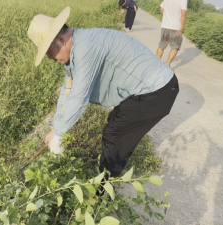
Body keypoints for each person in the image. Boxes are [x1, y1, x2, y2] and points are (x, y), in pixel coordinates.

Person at [27, 7, 179, 179]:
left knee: (115, 134)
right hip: (146, 89)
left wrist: (60, 134)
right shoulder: (78, 45)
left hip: (158, 91)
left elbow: (78, 96)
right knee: (114, 122)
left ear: (61, 40)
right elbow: (67, 89)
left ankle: (104, 187)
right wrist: (56, 128)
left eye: (48, 52)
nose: (49, 58)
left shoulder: (85, 47)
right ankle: (107, 161)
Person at [156, 0, 187, 67]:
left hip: (165, 25)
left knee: (161, 45)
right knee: (175, 46)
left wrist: (168, 17)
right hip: (176, 27)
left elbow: (161, 9)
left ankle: (156, 63)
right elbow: (183, 13)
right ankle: (167, 63)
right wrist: (182, 26)